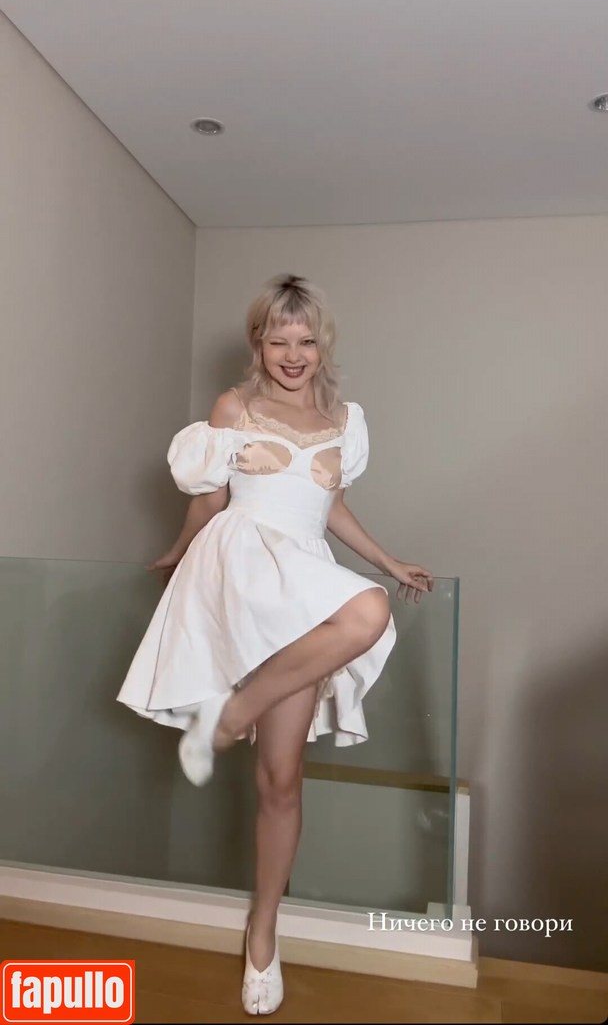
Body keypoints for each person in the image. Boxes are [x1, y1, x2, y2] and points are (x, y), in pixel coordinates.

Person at [117, 273, 433, 1015]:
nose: (293, 354)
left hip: (300, 582)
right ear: (258, 343)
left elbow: (331, 507)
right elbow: (210, 499)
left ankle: (264, 929)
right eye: (278, 339)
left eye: (306, 340)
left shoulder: (345, 421)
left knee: (282, 778)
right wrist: (176, 554)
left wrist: (388, 561)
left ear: (323, 345)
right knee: (366, 614)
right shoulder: (234, 407)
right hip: (239, 572)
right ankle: (230, 717)